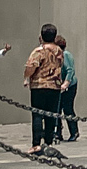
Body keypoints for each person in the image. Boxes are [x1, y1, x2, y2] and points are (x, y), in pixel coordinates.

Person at [23, 24, 65, 153]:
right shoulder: (59, 51)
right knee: (51, 115)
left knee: (37, 115)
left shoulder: (39, 51)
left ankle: (36, 144)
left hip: (39, 85)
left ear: (41, 36)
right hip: (54, 86)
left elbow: (31, 66)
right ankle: (48, 142)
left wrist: (26, 77)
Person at [56, 35, 80, 143]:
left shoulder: (65, 55)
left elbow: (70, 70)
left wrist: (66, 83)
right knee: (57, 109)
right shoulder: (56, 55)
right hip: (59, 85)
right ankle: (57, 133)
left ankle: (74, 131)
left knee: (68, 109)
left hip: (69, 86)